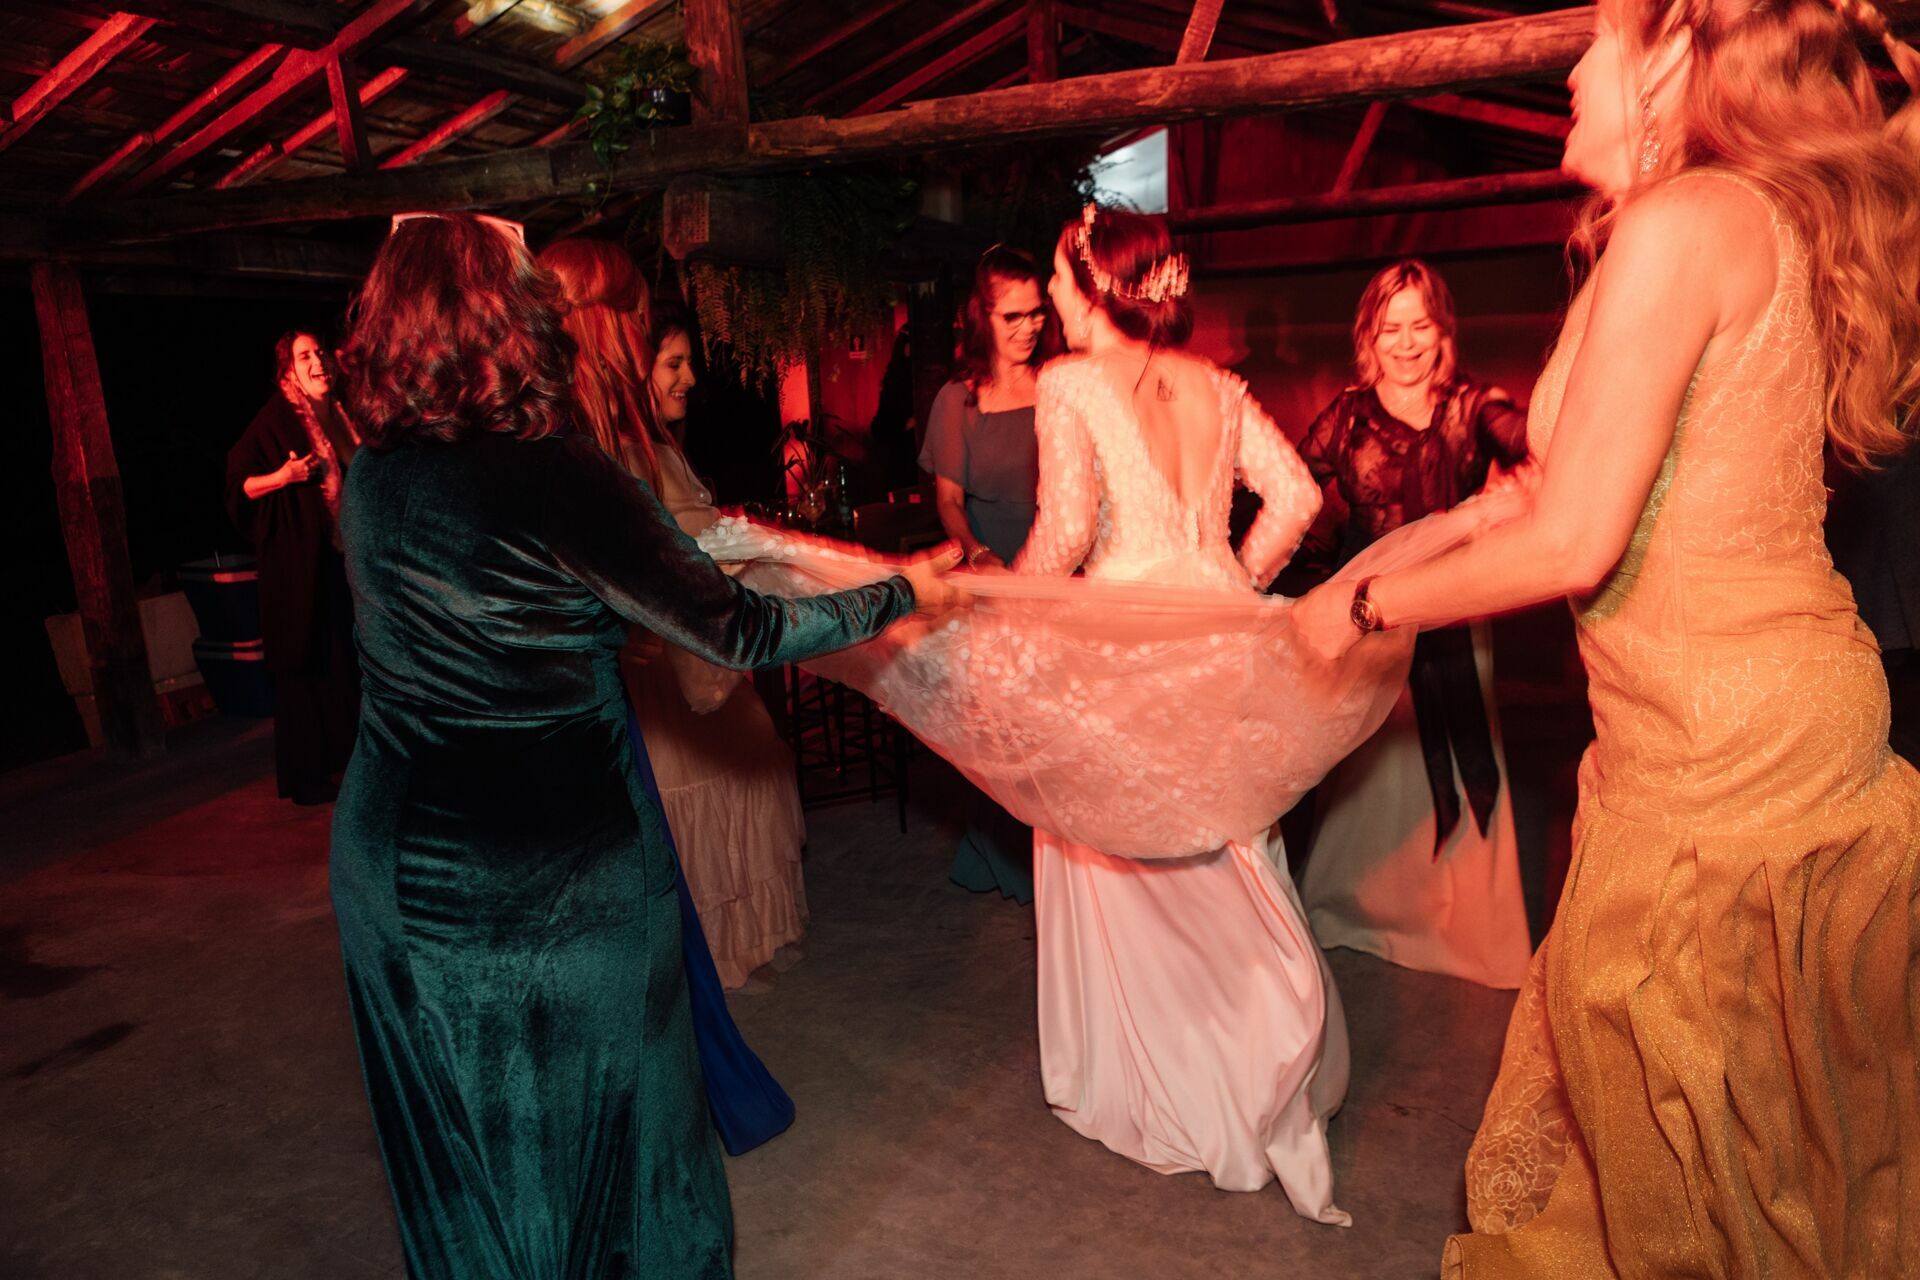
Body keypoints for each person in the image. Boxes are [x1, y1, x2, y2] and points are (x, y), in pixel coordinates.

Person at [1290, 0, 1920, 1270]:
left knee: (1705, 1161)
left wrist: (1360, 614)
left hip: (1729, 745)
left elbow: (1574, 541)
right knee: (1730, 1144)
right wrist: (1373, 567)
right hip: (1706, 717)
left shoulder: (1693, 222)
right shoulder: (1717, 216)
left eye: (1595, 39)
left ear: (1673, 59)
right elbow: (1532, 499)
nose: (1569, 67)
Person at [329, 212, 959, 1279]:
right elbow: (741, 628)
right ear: (506, 311)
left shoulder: (370, 476)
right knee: (621, 1136)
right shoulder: (553, 469)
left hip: (391, 872)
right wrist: (902, 592)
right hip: (554, 877)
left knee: (460, 1144)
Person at [1020, 207, 1348, 1220]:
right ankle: (1265, 1055)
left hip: (1122, 646)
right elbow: (1296, 499)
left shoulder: (1068, 384)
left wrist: (1008, 620)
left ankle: (1174, 1078)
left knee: (1130, 865)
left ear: (1093, 283)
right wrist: (1229, 587)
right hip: (1219, 638)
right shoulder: (1218, 384)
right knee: (1230, 847)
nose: (1051, 308)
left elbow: (1068, 526)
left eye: (1058, 285)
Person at [540, 238, 812, 993]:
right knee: (701, 805)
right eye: (671, 363)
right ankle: (716, 955)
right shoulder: (618, 450)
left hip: (690, 650)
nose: (689, 377)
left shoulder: (647, 442)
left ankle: (735, 946)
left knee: (739, 784)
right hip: (663, 665)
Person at [1292, 260, 1533, 990]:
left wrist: (1502, 505)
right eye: (1390, 327)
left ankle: (1464, 933)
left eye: (1419, 326)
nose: (1405, 343)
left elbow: (1540, 445)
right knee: (1375, 773)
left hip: (1454, 614)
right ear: (1370, 335)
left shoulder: (1471, 406)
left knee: (1463, 750)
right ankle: (1358, 910)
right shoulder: (1345, 414)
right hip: (1374, 622)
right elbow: (1292, 494)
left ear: (1443, 332)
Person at [919, 245, 1062, 904]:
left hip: (1059, 576)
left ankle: (1058, 865)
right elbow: (948, 501)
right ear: (983, 317)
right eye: (1013, 316)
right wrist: (975, 553)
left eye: (1037, 313)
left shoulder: (1062, 384)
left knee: (1055, 730)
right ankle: (1005, 857)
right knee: (1002, 732)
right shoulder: (959, 399)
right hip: (992, 576)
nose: (1029, 327)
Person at [223, 331, 361, 805]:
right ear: (289, 372)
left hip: (340, 556)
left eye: (320, 352)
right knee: (303, 661)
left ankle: (345, 760)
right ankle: (304, 777)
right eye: (306, 357)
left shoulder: (342, 415)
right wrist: (283, 477)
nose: (318, 362)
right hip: (297, 561)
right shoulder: (275, 420)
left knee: (344, 657)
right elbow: (239, 484)